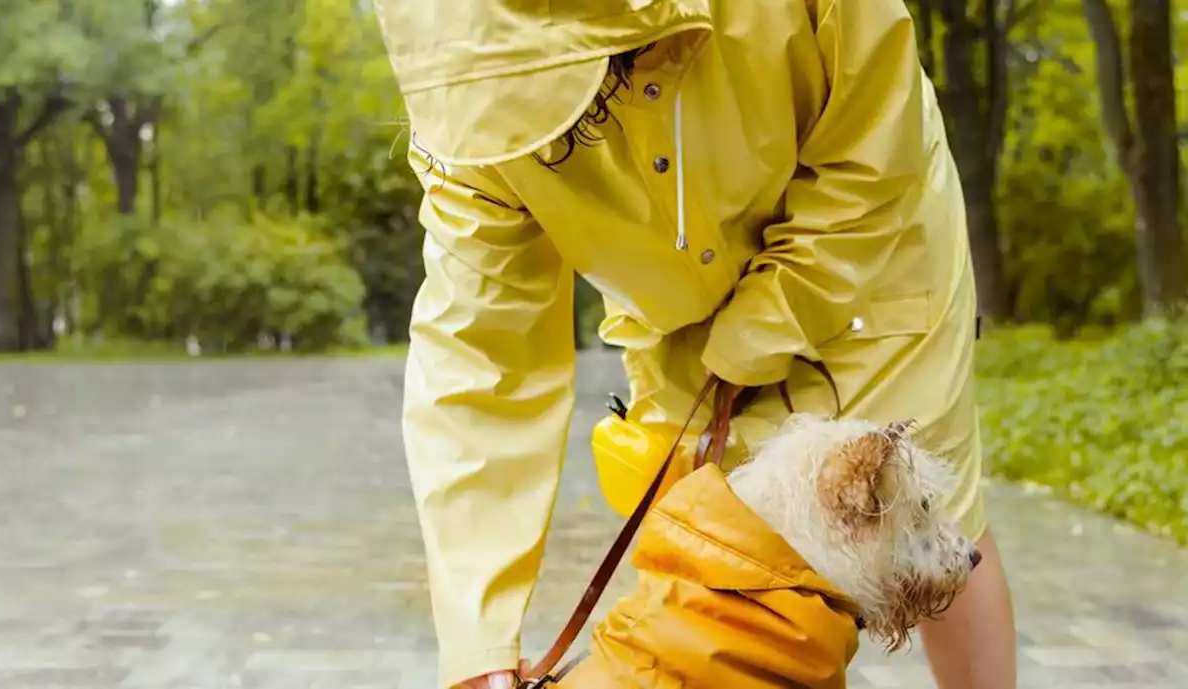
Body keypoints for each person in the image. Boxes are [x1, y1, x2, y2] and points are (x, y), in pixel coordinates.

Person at [370, 0, 1018, 687]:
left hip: (873, 252)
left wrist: (756, 331)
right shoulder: (462, 135)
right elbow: (481, 361)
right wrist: (480, 646)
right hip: (679, 321)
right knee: (730, 557)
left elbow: (873, 155)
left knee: (922, 519)